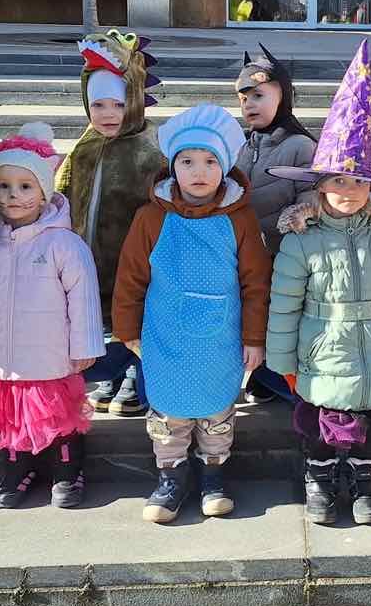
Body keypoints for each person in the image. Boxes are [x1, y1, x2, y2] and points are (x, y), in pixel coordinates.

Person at [264, 41, 371, 526]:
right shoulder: (301, 240)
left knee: (370, 423)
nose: (348, 192)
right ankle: (320, 478)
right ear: (320, 185)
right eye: (338, 181)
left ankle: (366, 479)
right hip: (321, 348)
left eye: (359, 183)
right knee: (320, 425)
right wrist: (282, 357)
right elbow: (284, 303)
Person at [112, 105, 272, 524]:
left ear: (225, 167)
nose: (198, 172)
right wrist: (127, 329)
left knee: (217, 409)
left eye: (209, 161)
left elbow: (256, 283)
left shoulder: (240, 219)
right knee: (170, 409)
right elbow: (130, 277)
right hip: (164, 336)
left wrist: (254, 338)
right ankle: (171, 477)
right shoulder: (151, 218)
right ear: (172, 167)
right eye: (187, 161)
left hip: (221, 338)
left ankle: (213, 475)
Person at [0, 123, 103, 509]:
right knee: (8, 418)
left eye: (25, 186)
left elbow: (83, 298)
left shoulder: (63, 244)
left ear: (44, 191)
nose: (13, 195)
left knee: (58, 416)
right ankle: (18, 467)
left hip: (49, 355)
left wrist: (84, 345)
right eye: (4, 186)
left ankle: (67, 469)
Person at [54, 31, 164, 418]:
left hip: (133, 260)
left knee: (133, 315)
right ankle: (113, 372)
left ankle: (135, 371)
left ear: (133, 100)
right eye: (97, 105)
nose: (107, 114)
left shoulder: (150, 149)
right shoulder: (85, 145)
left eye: (118, 104)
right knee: (100, 318)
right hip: (90, 257)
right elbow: (64, 189)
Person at [233, 43, 316, 404]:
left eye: (259, 95)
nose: (249, 104)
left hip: (284, 252)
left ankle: (279, 377)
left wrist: (296, 219)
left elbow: (311, 196)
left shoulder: (300, 145)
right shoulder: (240, 144)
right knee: (254, 312)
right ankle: (260, 368)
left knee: (283, 317)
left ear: (283, 97)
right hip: (246, 252)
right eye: (243, 98)